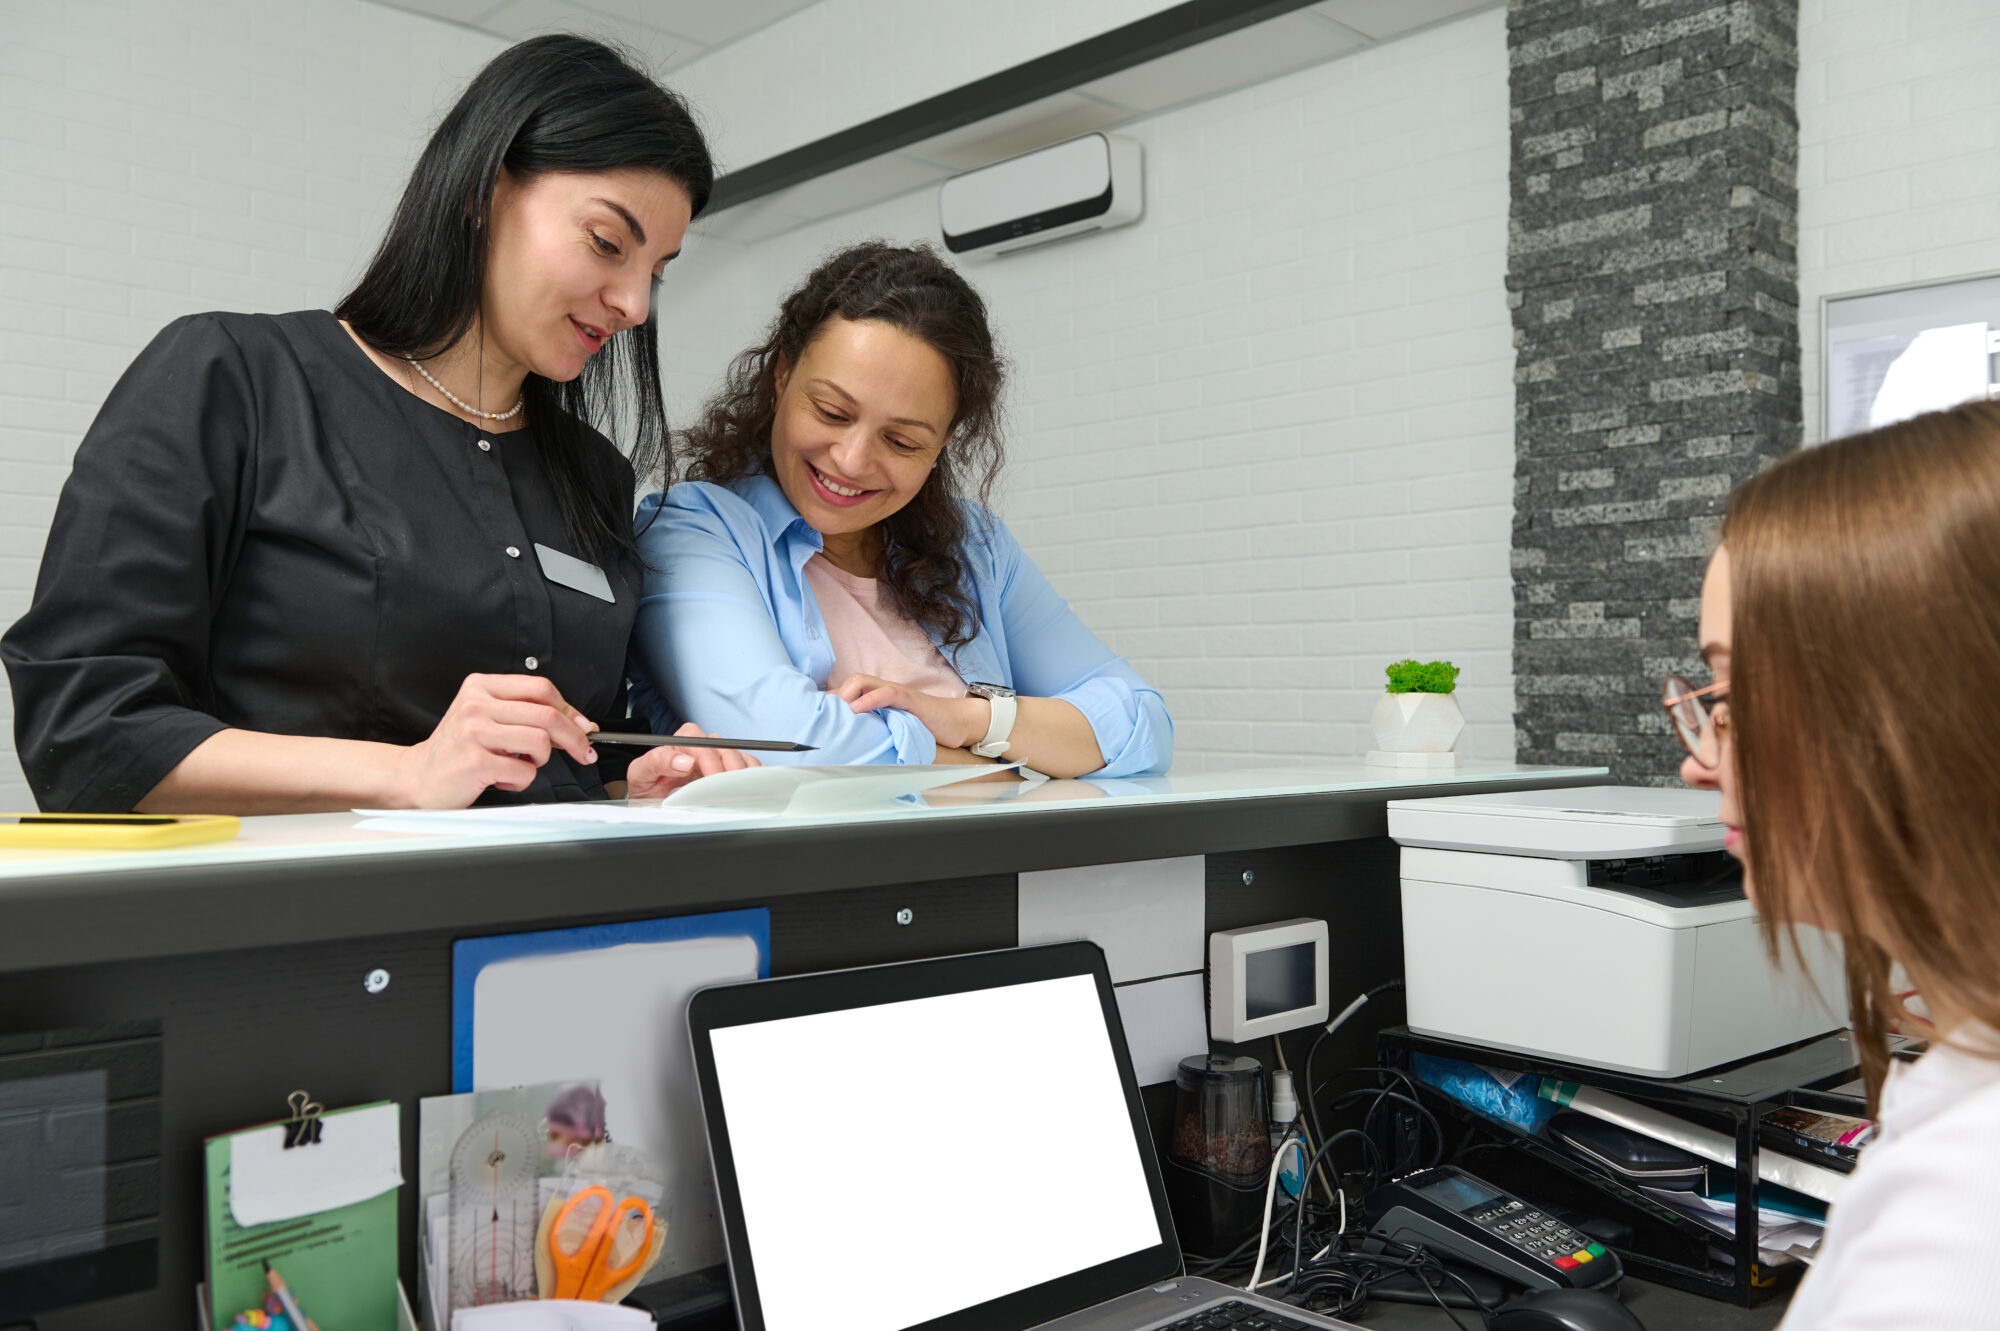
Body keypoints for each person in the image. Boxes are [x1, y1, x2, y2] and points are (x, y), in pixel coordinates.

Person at [3, 35, 750, 813]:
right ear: (482, 194)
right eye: (606, 243)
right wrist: (406, 773)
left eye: (656, 272)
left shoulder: (596, 473)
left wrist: (630, 778)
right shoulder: (236, 377)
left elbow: (561, 747)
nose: (634, 304)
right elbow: (83, 729)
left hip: (544, 922)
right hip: (304, 920)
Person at [1667, 400, 2000, 1327]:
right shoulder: (1964, 1052)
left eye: (1728, 697)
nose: (1698, 758)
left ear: (1910, 715)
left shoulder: (1965, 1228)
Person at [626, 242, 1172, 779]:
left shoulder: (975, 545)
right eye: (832, 411)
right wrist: (1019, 770)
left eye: (903, 442)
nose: (852, 460)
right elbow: (788, 743)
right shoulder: (691, 529)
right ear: (782, 375)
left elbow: (1142, 723)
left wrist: (969, 719)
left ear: (943, 444)